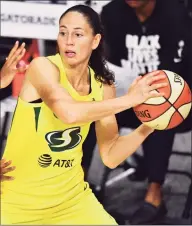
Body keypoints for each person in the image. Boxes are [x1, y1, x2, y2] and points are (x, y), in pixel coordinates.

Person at [0, 4, 168, 225]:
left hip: (72, 199)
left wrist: (150, 124)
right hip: (20, 201)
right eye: (63, 32)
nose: (68, 40)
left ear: (95, 41)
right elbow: (68, 113)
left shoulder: (102, 85)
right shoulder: (42, 68)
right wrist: (129, 100)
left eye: (78, 34)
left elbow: (111, 155)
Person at [97, 0, 192, 224]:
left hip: (170, 99)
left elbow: (179, 67)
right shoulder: (111, 12)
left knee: (159, 113)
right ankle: (77, 185)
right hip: (127, 97)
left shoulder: (175, 12)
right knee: (92, 112)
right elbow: (106, 63)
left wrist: (149, 91)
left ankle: (155, 196)